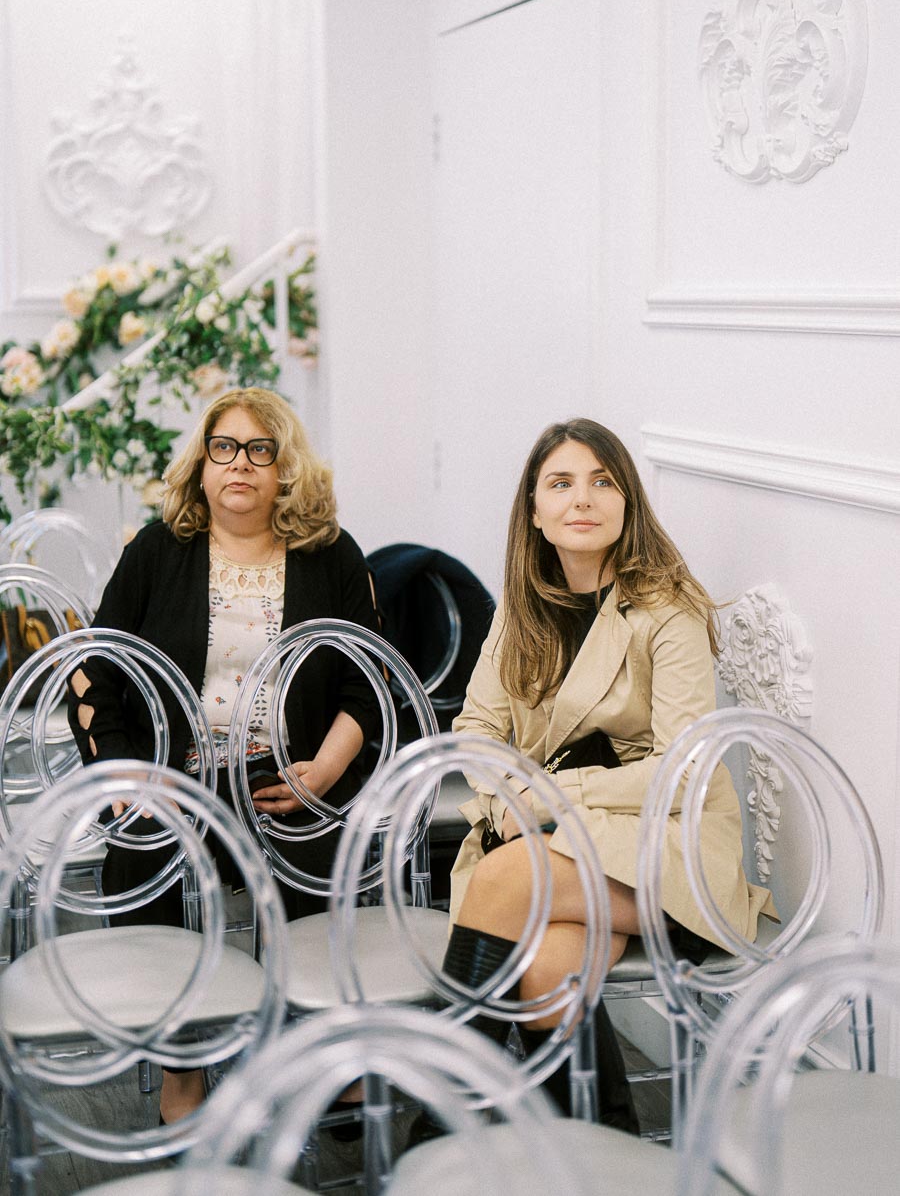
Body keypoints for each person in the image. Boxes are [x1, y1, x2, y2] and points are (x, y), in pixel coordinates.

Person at [443, 418, 777, 1130]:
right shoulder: (522, 608)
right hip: (567, 841)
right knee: (543, 973)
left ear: (627, 501)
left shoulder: (668, 607)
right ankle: (605, 1151)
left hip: (669, 844)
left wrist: (550, 795)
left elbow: (683, 775)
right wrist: (506, 795)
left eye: (602, 481)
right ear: (534, 512)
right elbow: (475, 729)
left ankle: (438, 1115)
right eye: (560, 484)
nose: (582, 499)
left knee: (506, 880)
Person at [67, 386, 380, 1124]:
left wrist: (325, 773)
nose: (240, 463)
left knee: (323, 851)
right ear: (203, 465)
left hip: (289, 773)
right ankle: (184, 1060)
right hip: (173, 778)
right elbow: (93, 672)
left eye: (259, 449)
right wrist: (123, 775)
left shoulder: (330, 556)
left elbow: (370, 683)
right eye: (224, 447)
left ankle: (326, 1042)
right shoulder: (157, 551)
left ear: (284, 469)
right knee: (144, 855)